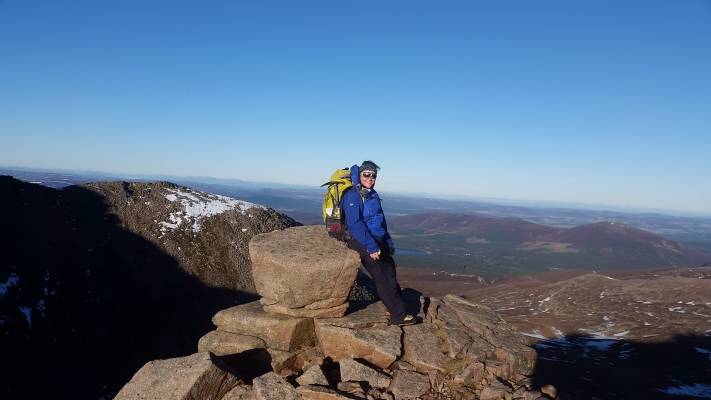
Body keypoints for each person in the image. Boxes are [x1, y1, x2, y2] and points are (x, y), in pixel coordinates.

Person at [342, 160, 417, 326]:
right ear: (359, 175)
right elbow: (355, 224)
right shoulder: (353, 195)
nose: (370, 178)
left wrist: (388, 242)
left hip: (376, 238)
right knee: (381, 276)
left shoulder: (371, 193)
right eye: (366, 174)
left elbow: (380, 221)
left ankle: (393, 307)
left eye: (373, 175)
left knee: (390, 271)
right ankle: (398, 315)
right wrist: (371, 246)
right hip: (361, 240)